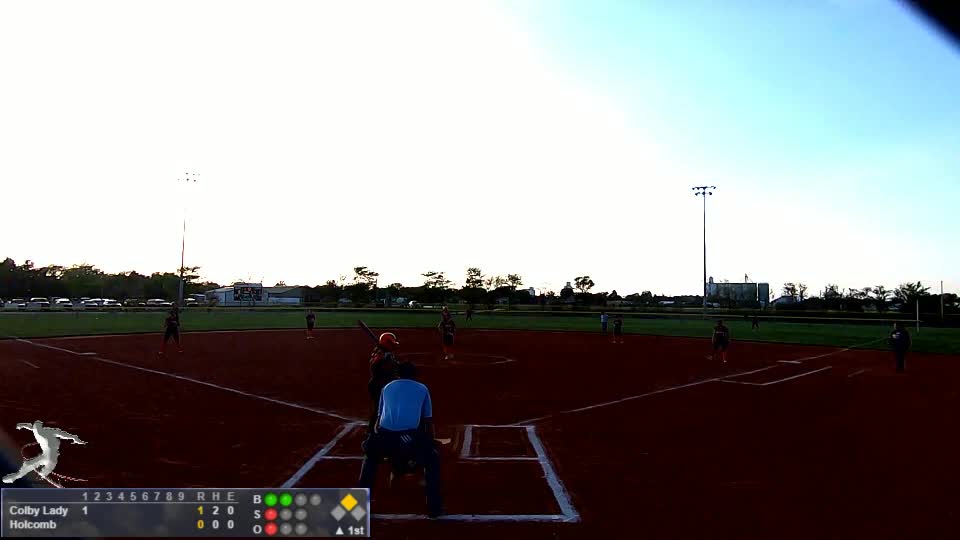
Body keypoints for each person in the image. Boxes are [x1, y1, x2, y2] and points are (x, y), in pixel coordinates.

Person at [359, 361, 443, 518]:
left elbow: (377, 421)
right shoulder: (422, 388)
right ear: (414, 375)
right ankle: (434, 508)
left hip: (383, 435)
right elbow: (427, 421)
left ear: (397, 374)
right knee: (432, 460)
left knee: (370, 458)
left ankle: (359, 506)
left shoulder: (387, 387)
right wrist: (430, 442)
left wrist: (376, 441)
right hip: (409, 437)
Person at [2, 421, 86, 486]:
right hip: (45, 456)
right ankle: (14, 477)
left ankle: (44, 473)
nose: (36, 429)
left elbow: (64, 435)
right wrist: (22, 425)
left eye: (37, 427)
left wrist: (75, 438)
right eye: (35, 427)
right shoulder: (37, 431)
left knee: (45, 468)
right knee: (29, 464)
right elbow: (31, 427)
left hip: (52, 457)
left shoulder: (50, 431)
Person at [367, 333, 400, 433]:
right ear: (386, 343)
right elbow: (375, 367)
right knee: (379, 408)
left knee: (384, 407)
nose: (393, 346)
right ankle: (371, 431)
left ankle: (378, 428)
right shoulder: (380, 355)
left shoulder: (386, 353)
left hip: (384, 384)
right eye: (391, 344)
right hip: (378, 385)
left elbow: (394, 368)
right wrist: (385, 358)